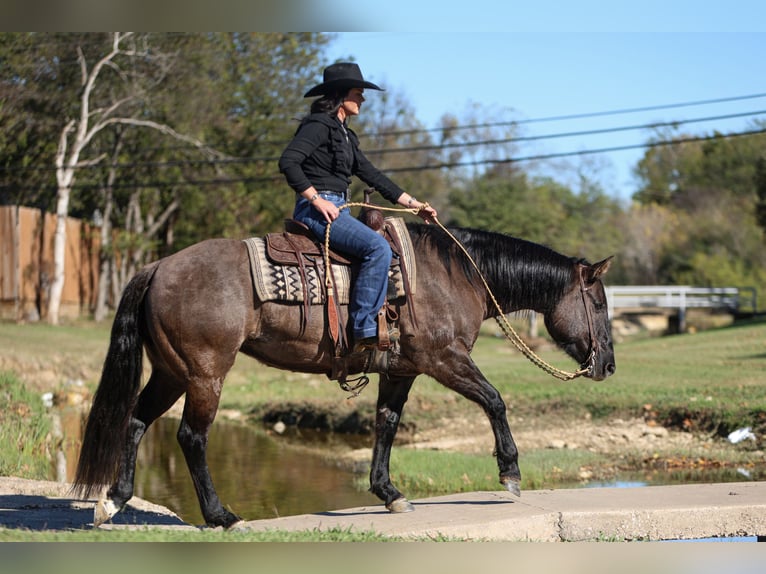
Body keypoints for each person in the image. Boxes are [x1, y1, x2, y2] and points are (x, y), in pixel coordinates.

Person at [278, 62, 438, 353]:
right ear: (340, 96)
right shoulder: (318, 126)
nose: (362, 99)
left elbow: (372, 175)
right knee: (377, 248)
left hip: (339, 208)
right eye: (357, 93)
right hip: (316, 210)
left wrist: (415, 205)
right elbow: (288, 161)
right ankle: (364, 327)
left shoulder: (346, 136)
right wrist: (316, 199)